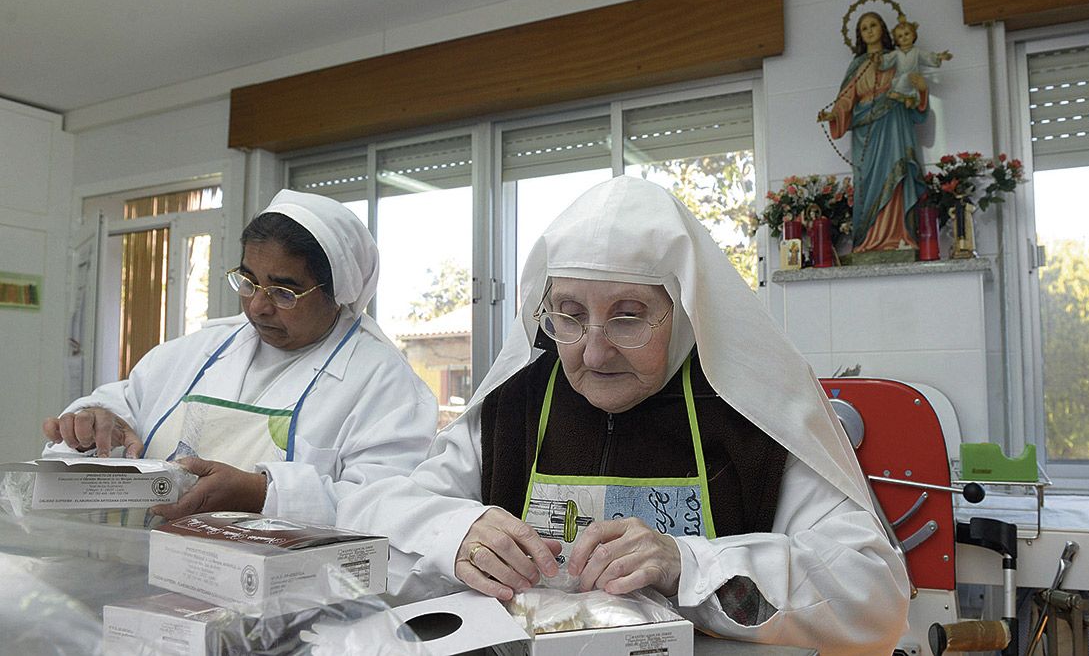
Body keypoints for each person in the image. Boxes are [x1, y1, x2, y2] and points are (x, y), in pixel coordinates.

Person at [339, 176, 909, 653]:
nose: (592, 351)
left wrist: (688, 564)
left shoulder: (752, 413)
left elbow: (876, 595)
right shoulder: (515, 405)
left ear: (685, 313)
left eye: (629, 316)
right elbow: (375, 521)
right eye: (568, 315)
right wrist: (452, 531)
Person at [42, 189, 438, 524]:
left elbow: (387, 512)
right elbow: (123, 403)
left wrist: (261, 494)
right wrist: (96, 420)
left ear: (339, 292)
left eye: (285, 292)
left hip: (288, 605)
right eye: (248, 282)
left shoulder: (382, 382)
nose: (258, 308)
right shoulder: (201, 349)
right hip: (147, 579)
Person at [818, 11, 928, 254]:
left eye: (873, 25)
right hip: (865, 131)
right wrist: (833, 114)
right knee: (869, 182)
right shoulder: (858, 65)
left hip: (893, 122)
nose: (869, 30)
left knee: (896, 174)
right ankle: (869, 240)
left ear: (882, 29)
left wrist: (921, 92)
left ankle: (900, 236)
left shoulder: (897, 58)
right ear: (859, 35)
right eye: (863, 28)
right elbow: (846, 99)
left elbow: (910, 91)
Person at [881, 20, 952, 109]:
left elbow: (928, 57)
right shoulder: (896, 53)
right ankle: (905, 97)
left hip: (913, 79)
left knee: (908, 80)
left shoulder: (917, 52)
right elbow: (886, 60)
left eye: (906, 34)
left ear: (913, 35)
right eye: (900, 36)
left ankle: (908, 98)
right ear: (896, 41)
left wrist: (939, 57)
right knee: (903, 79)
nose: (904, 37)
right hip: (899, 79)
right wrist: (878, 61)